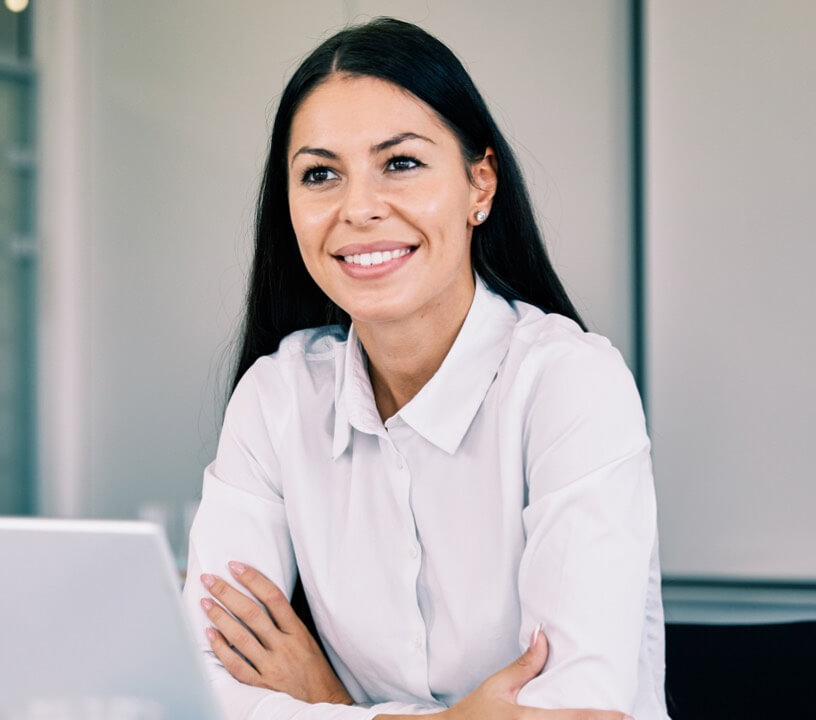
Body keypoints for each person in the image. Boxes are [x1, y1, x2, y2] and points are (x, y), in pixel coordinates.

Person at [180, 17, 668, 720]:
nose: (359, 209)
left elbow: (575, 713)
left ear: (480, 184)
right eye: (321, 174)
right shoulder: (278, 395)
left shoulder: (568, 384)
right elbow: (205, 688)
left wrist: (327, 701)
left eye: (401, 163)